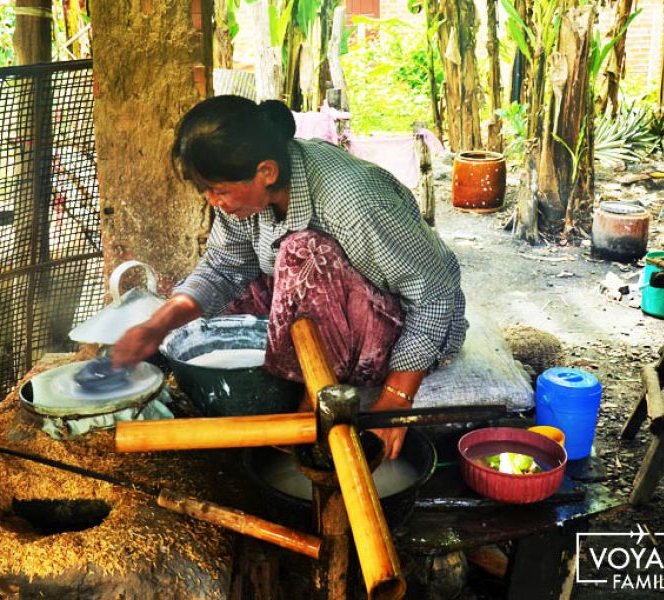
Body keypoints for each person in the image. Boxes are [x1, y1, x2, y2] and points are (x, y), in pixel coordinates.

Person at [111, 95, 467, 459]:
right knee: (220, 302)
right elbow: (222, 267)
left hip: (406, 324)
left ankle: (307, 403)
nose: (213, 202)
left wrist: (396, 399)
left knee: (302, 253)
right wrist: (156, 327)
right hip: (331, 309)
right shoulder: (252, 195)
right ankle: (289, 391)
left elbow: (434, 296)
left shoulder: (352, 201)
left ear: (266, 172)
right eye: (207, 191)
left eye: (219, 191)